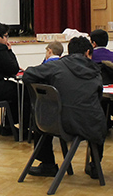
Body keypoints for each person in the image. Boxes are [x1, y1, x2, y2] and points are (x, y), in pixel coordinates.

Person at [22, 37, 107, 178]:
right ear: (88, 52)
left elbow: (28, 75)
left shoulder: (56, 66)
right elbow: (98, 97)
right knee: (99, 119)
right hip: (90, 125)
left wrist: (43, 96)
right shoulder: (96, 72)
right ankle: (95, 165)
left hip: (57, 122)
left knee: (41, 117)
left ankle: (48, 164)